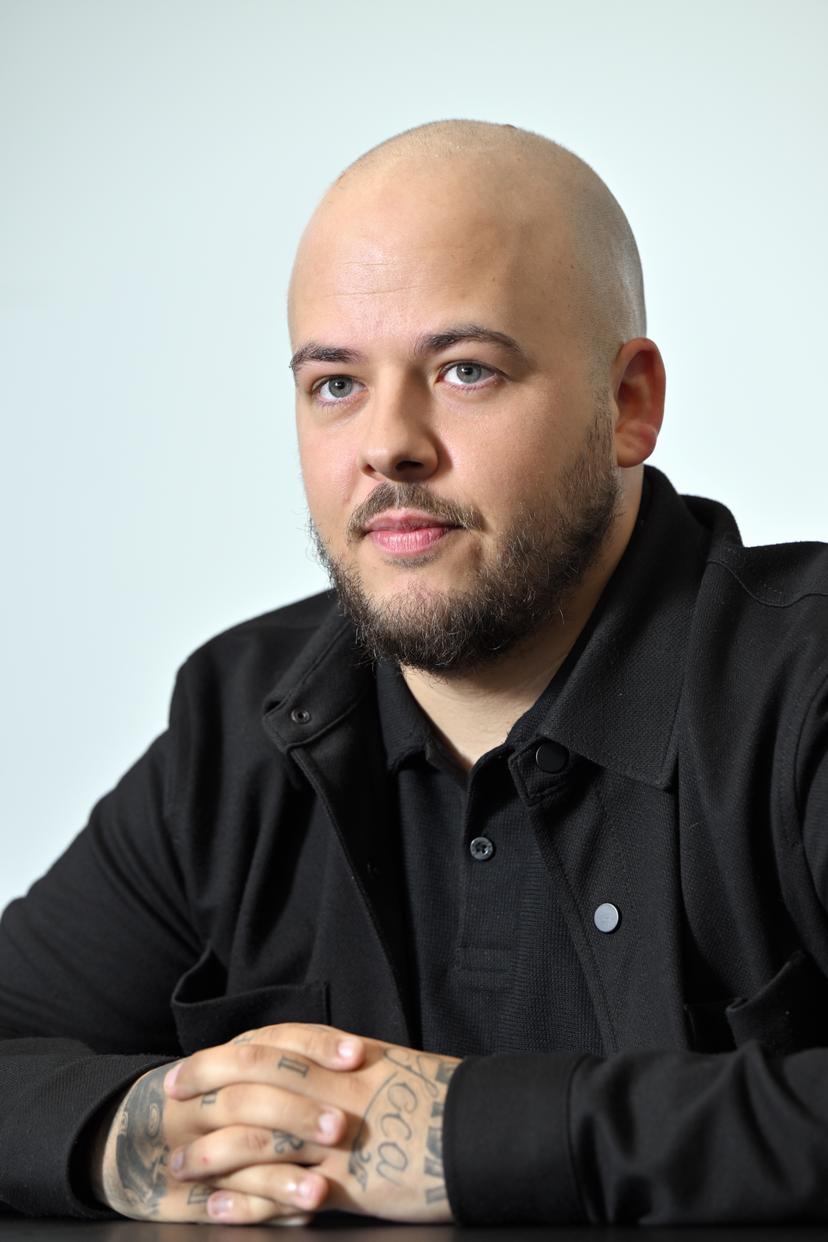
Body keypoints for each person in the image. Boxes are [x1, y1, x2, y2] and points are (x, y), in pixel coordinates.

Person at [1, 118, 827, 1228]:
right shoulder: (239, 721)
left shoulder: (805, 685)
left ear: (627, 404)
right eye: (335, 384)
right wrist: (128, 1134)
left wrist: (461, 1134)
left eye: (465, 370)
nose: (389, 444)